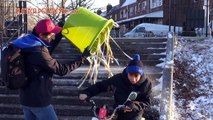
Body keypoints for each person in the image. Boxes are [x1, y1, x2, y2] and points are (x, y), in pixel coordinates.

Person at [11, 19, 90, 120]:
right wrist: (82, 58)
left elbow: (46, 49)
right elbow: (62, 70)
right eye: (51, 34)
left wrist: (59, 33)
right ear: (41, 35)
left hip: (25, 100)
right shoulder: (39, 52)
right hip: (39, 102)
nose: (53, 36)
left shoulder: (27, 43)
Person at [79, 54, 152, 120]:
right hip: (117, 112)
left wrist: (134, 105)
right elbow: (102, 85)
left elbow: (147, 102)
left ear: (141, 74)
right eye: (131, 75)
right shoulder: (119, 79)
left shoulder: (146, 83)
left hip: (134, 115)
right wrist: (87, 93)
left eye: (136, 76)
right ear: (127, 73)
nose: (133, 79)